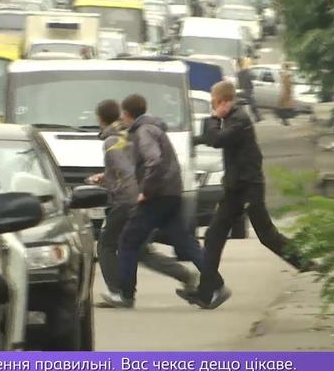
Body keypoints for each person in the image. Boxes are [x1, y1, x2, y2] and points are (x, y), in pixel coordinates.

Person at [179, 81, 312, 310]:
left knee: (266, 235)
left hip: (249, 187)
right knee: (213, 235)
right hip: (235, 189)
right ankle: (207, 292)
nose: (213, 107)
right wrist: (189, 140)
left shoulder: (240, 120)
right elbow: (211, 138)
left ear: (223, 102)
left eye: (214, 103)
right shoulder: (231, 119)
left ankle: (307, 265)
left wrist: (213, 118)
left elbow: (217, 139)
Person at [90, 100, 199, 309]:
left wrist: (129, 196)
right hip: (139, 197)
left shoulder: (111, 140)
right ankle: (185, 275)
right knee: (140, 250)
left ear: (100, 118)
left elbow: (126, 171)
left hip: (126, 201)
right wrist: (106, 177)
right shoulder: (127, 135)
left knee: (106, 244)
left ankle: (118, 291)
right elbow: (132, 166)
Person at [237, 57, 262, 122]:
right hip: (247, 90)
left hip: (244, 90)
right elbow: (252, 78)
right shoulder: (246, 72)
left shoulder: (240, 73)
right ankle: (257, 116)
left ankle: (257, 116)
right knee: (251, 102)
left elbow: (240, 83)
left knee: (249, 102)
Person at [276, 61, 294, 126]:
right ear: (288, 67)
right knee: (286, 107)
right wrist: (290, 92)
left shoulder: (283, 74)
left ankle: (284, 120)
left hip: (283, 91)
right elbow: (288, 84)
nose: (291, 67)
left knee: (283, 106)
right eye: (290, 66)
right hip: (286, 92)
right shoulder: (288, 75)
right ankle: (285, 121)